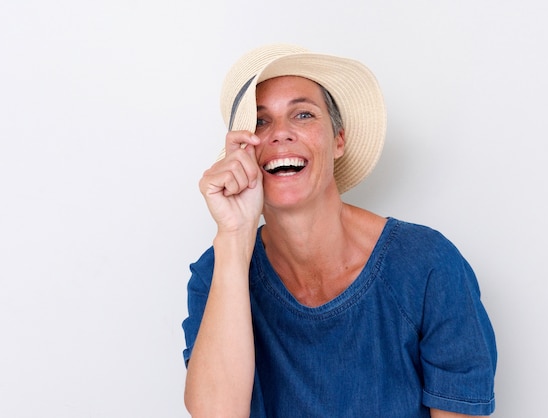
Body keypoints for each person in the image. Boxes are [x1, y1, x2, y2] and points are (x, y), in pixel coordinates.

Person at [182, 44, 497, 418]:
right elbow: (218, 414)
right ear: (243, 154)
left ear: (339, 141)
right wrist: (234, 236)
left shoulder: (427, 265)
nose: (280, 134)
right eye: (261, 122)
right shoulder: (217, 273)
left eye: (302, 114)